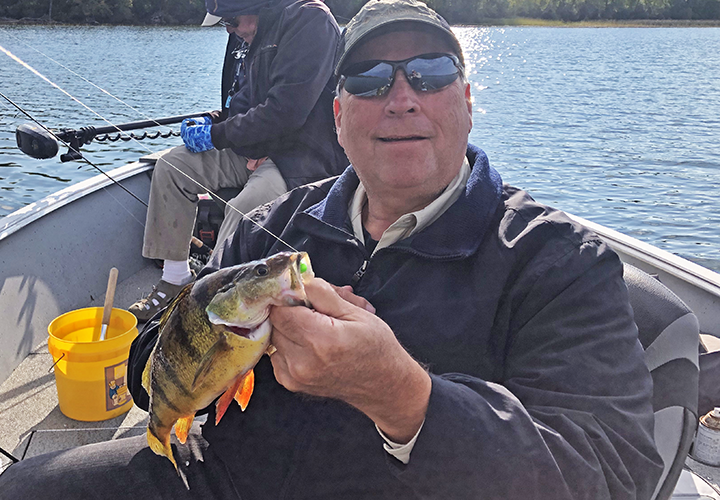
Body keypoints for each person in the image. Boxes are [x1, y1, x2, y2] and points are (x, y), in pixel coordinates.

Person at [0, 1, 663, 498]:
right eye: (371, 80)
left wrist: (408, 399)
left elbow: (608, 472)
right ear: (339, 117)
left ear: (466, 101)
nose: (401, 99)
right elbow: (159, 371)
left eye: (429, 75)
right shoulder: (266, 230)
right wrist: (180, 354)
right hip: (224, 478)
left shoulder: (558, 261)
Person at [129, 0, 348, 322]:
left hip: (301, 156)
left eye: (231, 21)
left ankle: (213, 308)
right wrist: (214, 120)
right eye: (225, 24)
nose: (229, 29)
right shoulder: (249, 34)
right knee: (172, 167)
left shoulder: (310, 21)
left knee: (244, 210)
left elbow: (288, 109)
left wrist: (218, 136)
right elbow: (243, 100)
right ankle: (176, 278)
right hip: (255, 147)